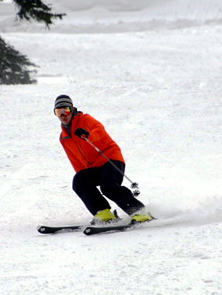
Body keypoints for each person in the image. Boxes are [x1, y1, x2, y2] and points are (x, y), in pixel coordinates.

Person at [53, 94, 152, 225]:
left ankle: (139, 212)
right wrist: (84, 177)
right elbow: (75, 159)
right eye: (58, 112)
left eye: (65, 110)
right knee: (79, 180)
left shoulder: (85, 119)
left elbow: (99, 129)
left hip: (110, 159)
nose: (63, 115)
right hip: (94, 167)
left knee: (108, 187)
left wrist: (88, 135)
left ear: (72, 109)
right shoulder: (64, 137)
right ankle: (103, 213)